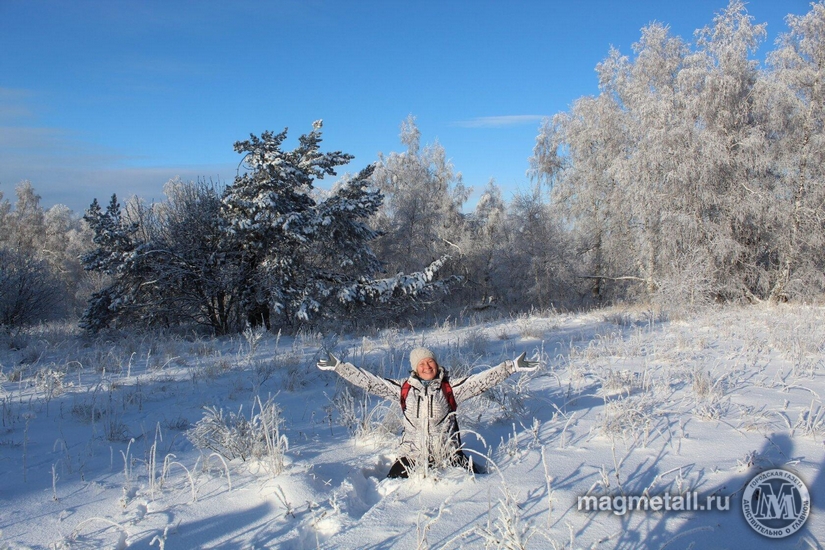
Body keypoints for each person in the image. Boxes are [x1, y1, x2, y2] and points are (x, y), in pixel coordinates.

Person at [317, 346, 539, 478]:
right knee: (393, 484)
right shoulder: (403, 389)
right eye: (422, 363)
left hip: (449, 455)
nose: (427, 366)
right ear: (415, 368)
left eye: (430, 361)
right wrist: (339, 366)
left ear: (436, 364)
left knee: (479, 481)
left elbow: (480, 381)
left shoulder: (450, 388)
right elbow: (369, 382)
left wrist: (512, 366)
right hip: (411, 456)